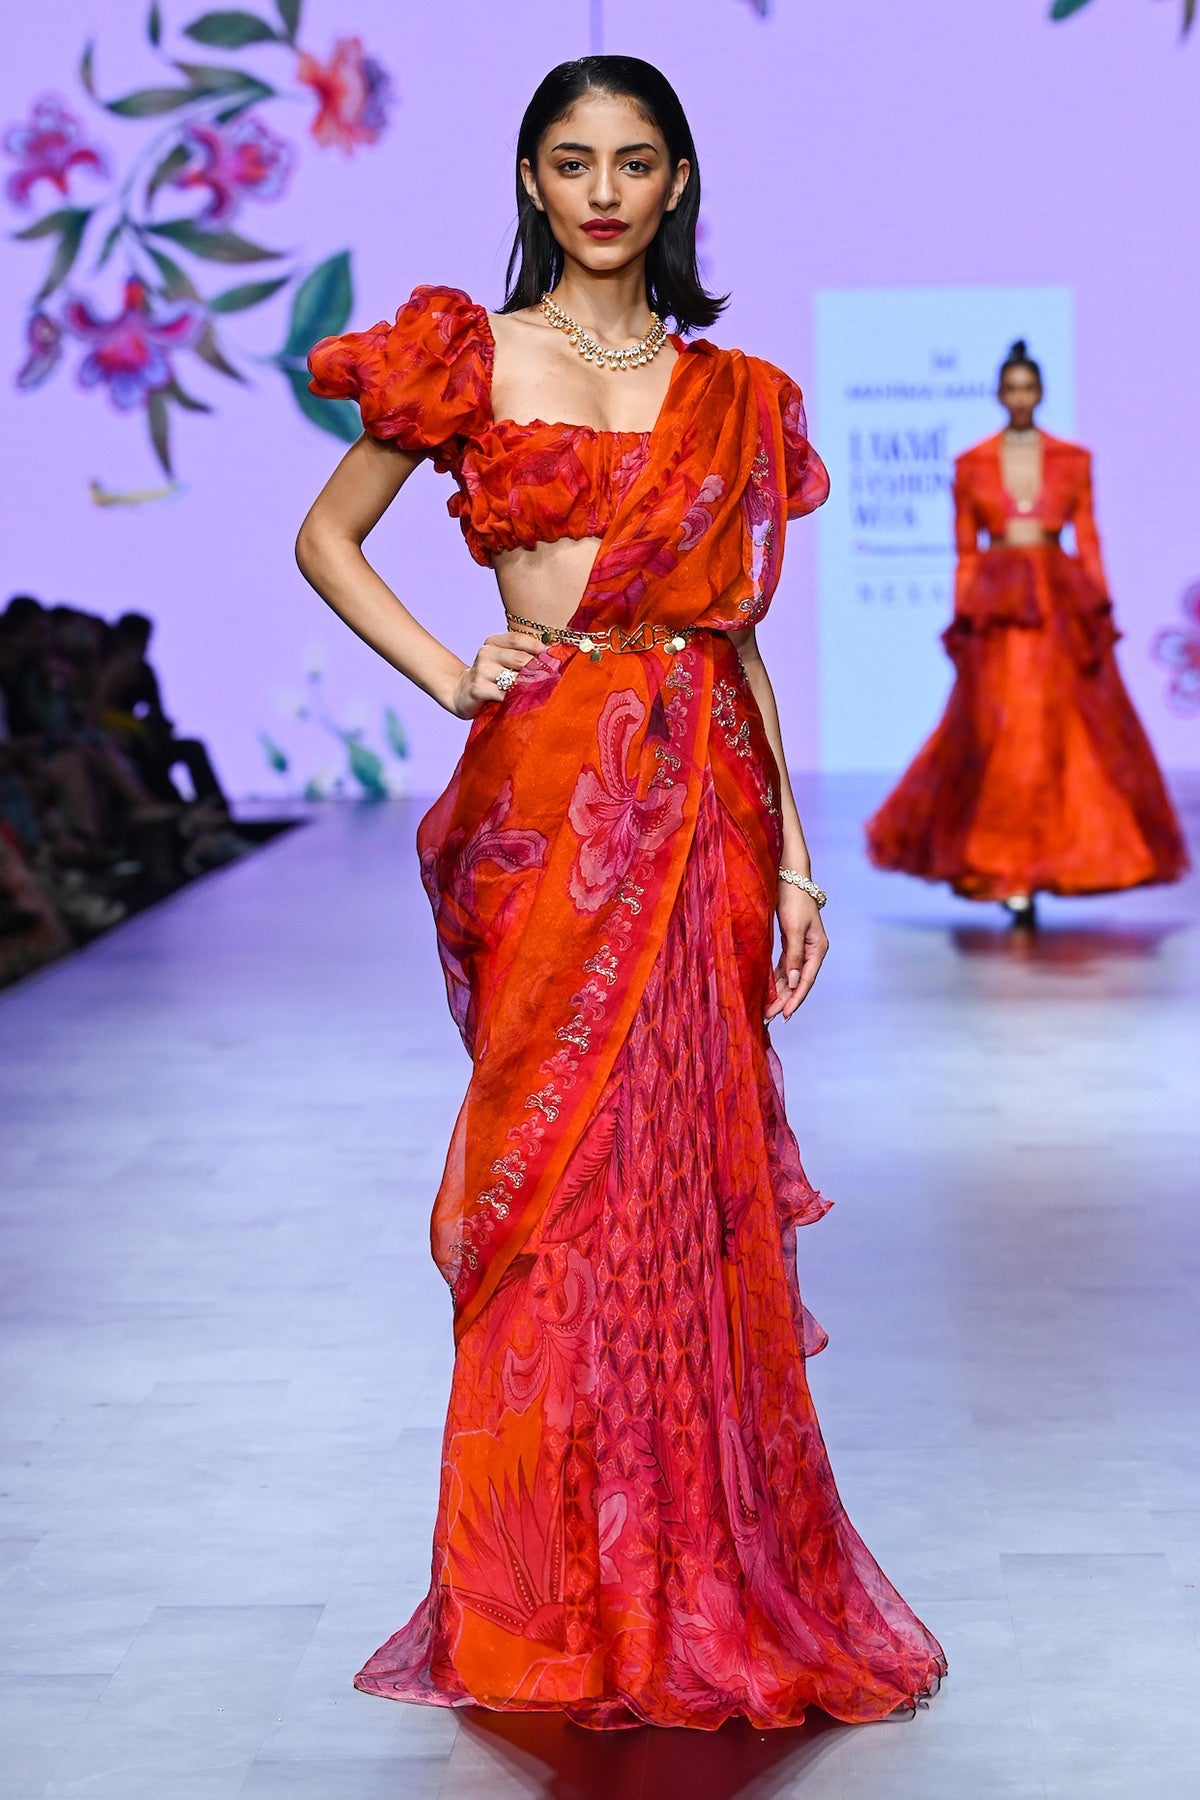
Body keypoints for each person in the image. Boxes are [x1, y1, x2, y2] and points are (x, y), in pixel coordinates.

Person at [298, 56, 945, 1729]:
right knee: (549, 1185)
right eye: (573, 161)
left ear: (677, 183)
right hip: (548, 795)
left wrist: (794, 859)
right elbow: (327, 538)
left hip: (703, 796)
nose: (603, 191)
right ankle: (541, 1591)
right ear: (532, 178)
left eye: (634, 162)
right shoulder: (468, 354)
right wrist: (449, 669)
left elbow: (735, 644)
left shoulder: (729, 390)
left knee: (686, 1184)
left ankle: (691, 1573)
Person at [866, 341, 1188, 925]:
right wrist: (964, 615)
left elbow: (1088, 538)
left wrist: (1099, 609)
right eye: (1011, 388)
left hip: (1057, 602)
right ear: (999, 394)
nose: (1019, 398)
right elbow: (966, 550)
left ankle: (1043, 863)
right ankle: (1006, 865)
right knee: (1002, 732)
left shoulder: (1072, 459)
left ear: (1039, 394)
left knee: (1057, 733)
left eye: (1028, 388)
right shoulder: (972, 464)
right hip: (999, 606)